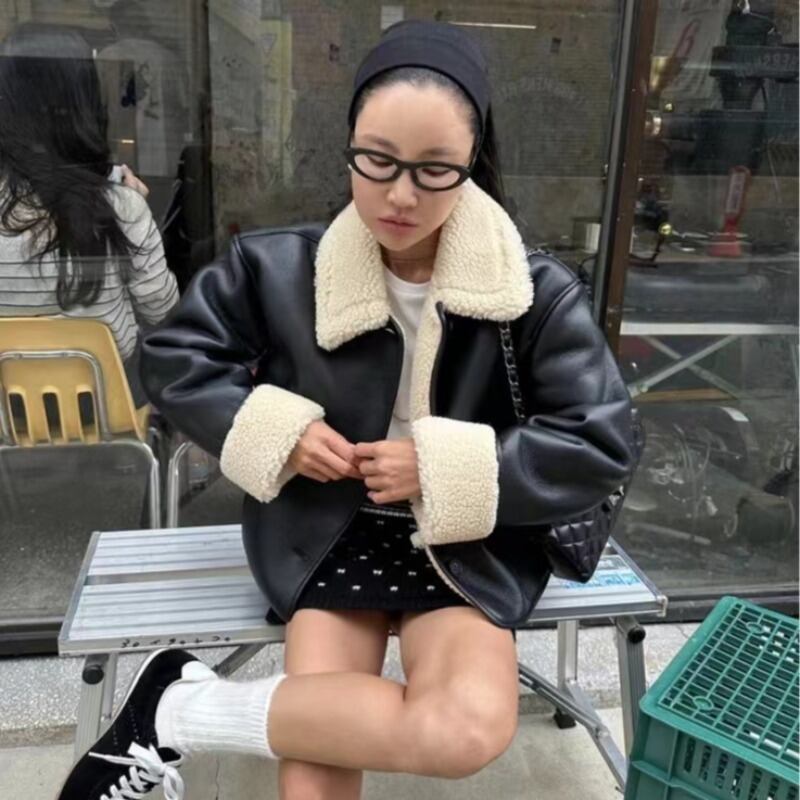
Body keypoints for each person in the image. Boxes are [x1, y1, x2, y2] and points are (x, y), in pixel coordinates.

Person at [56, 20, 636, 800]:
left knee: (464, 729)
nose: (400, 194)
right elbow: (175, 360)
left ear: (473, 164)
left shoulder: (531, 290)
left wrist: (441, 468)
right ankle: (171, 706)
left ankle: (175, 708)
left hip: (466, 539)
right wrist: (279, 432)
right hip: (326, 527)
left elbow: (599, 441)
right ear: (350, 147)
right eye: (378, 159)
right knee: (315, 780)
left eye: (435, 169)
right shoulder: (276, 266)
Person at [0, 26, 178, 409]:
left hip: (7, 415)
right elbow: (161, 308)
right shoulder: (121, 205)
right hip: (110, 411)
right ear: (85, 102)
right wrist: (137, 209)